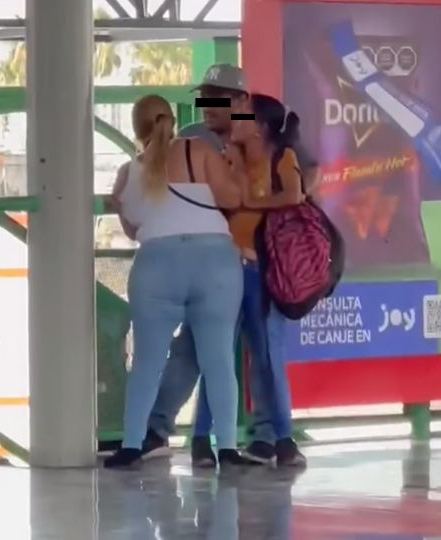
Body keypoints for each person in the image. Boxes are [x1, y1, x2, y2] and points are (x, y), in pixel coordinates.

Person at [140, 64, 317, 467]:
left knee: (262, 352)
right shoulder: (190, 139)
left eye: (219, 99)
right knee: (195, 351)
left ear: (241, 102)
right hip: (210, 266)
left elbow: (306, 179)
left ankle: (269, 438)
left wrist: (266, 208)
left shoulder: (264, 134)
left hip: (260, 265)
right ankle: (160, 432)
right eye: (204, 98)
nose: (208, 107)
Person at [104, 95, 247, 469]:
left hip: (156, 266)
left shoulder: (128, 171)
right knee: (217, 360)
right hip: (215, 263)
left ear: (137, 128)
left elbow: (133, 230)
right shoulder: (197, 150)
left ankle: (133, 444)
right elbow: (233, 197)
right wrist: (231, 168)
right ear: (170, 118)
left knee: (148, 362)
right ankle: (228, 447)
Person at [193, 93, 308, 467]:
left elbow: (294, 194)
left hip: (263, 270)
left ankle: (283, 437)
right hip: (227, 266)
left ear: (259, 128)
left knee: (269, 357)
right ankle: (202, 439)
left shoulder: (282, 158)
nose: (232, 121)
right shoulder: (227, 158)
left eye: (241, 117)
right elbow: (228, 200)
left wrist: (253, 203)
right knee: (218, 354)